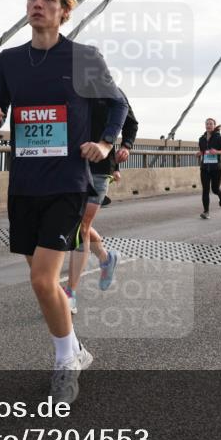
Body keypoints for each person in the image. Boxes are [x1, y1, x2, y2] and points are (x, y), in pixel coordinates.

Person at [0, 0, 128, 402]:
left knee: (44, 280)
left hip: (67, 184)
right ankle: (76, 348)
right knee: (40, 278)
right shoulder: (9, 60)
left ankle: (65, 362)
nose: (38, 4)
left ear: (64, 11)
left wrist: (104, 142)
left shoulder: (83, 57)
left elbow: (116, 103)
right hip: (24, 183)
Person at [64, 101, 137, 313]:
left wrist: (126, 146)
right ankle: (106, 259)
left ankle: (70, 293)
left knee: (81, 226)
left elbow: (130, 123)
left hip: (99, 168)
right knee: (76, 222)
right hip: (70, 165)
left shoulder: (112, 91)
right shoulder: (69, 86)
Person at [198, 118, 221, 219]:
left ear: (214, 126)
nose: (208, 125)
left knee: (215, 189)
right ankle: (206, 212)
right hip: (205, 168)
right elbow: (204, 151)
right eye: (207, 124)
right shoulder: (201, 139)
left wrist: (218, 152)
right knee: (205, 190)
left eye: (211, 124)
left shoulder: (218, 138)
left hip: (216, 168)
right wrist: (200, 153)